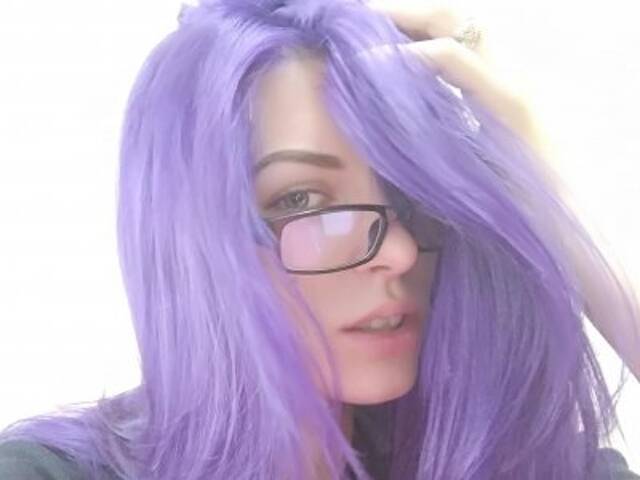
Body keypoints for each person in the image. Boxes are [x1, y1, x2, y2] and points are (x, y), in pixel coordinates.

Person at [1, 0, 638, 478]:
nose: (400, 253)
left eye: (413, 195)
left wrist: (554, 207)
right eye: (302, 200)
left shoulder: (520, 461)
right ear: (192, 242)